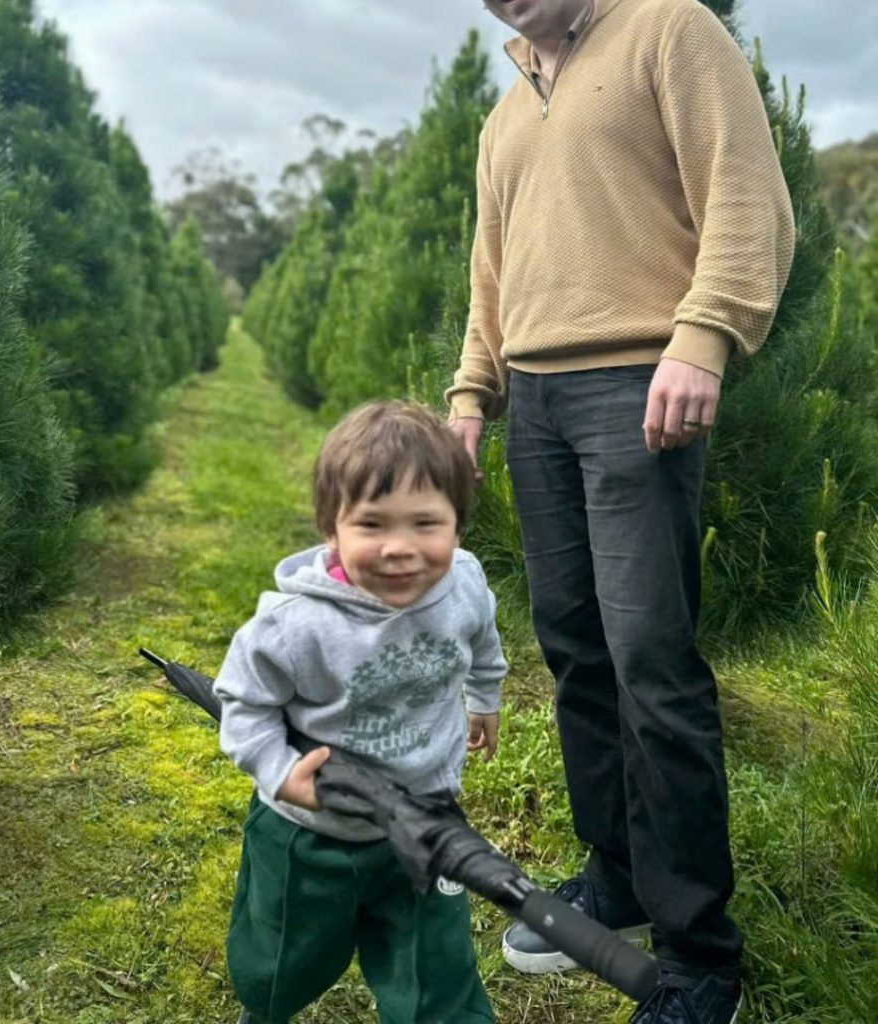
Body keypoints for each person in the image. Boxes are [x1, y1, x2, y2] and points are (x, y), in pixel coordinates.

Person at [446, 0, 795, 1021]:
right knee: (573, 645)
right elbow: (491, 267)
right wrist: (472, 393)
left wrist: (705, 334)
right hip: (536, 400)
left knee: (651, 660)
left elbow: (745, 192)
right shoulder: (507, 108)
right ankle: (619, 875)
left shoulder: (669, 29)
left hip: (636, 383)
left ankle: (699, 955)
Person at [214, 400, 508, 1024]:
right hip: (312, 833)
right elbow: (242, 704)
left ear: (458, 525)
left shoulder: (464, 584)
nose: (401, 549)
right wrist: (278, 770)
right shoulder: (295, 627)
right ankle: (265, 1007)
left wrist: (484, 698)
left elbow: (482, 639)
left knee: (438, 978)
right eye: (373, 525)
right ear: (332, 528)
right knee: (279, 964)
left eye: (426, 524)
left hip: (425, 823)